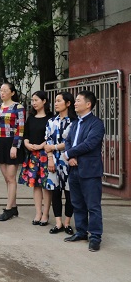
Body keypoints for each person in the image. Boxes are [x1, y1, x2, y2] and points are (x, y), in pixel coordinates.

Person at [63, 91, 105, 252]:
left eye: (78, 100)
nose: (75, 103)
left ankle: (95, 237)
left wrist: (69, 154)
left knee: (93, 205)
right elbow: (68, 140)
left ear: (88, 104)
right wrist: (70, 157)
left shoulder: (96, 124)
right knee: (77, 203)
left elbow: (89, 144)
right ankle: (81, 231)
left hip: (90, 170)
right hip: (74, 168)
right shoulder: (75, 123)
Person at [18, 90, 53, 226]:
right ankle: (38, 213)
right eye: (32, 100)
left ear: (44, 101)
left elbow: (51, 136)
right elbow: (26, 134)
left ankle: (45, 214)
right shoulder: (31, 118)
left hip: (45, 154)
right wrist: (27, 144)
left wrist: (40, 146)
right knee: (35, 185)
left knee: (46, 185)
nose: (33, 103)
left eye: (36, 100)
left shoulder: (51, 118)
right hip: (32, 155)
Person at [45, 91, 76, 235]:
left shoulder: (74, 122)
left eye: (59, 101)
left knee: (70, 193)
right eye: (55, 101)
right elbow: (47, 141)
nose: (56, 103)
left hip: (69, 160)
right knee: (55, 192)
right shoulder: (51, 121)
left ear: (68, 103)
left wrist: (54, 147)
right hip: (53, 160)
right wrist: (50, 158)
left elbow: (71, 143)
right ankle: (58, 223)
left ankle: (67, 222)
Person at [0, 83, 26, 221]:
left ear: (12, 93)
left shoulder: (18, 107)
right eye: (1, 90)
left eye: (5, 90)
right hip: (0, 142)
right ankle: (13, 206)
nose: (2, 93)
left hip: (12, 142)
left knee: (11, 178)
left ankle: (8, 209)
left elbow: (21, 128)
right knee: (6, 178)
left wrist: (15, 146)